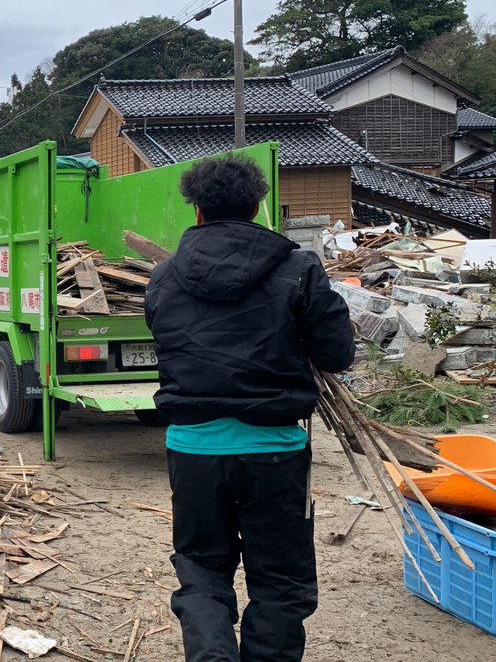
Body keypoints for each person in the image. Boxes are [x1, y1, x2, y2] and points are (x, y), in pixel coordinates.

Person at [144, 155, 354, 662]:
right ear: (259, 206)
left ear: (196, 211)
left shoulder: (163, 277)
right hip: (274, 450)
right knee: (280, 581)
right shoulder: (298, 268)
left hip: (192, 449)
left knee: (202, 569)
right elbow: (336, 353)